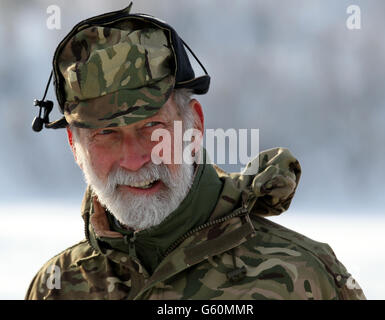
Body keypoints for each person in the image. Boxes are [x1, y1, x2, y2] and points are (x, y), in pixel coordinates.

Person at [25, 4, 365, 300]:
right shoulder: (55, 288)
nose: (134, 159)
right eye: (106, 133)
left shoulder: (303, 277)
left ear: (194, 126)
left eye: (153, 127)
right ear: (75, 146)